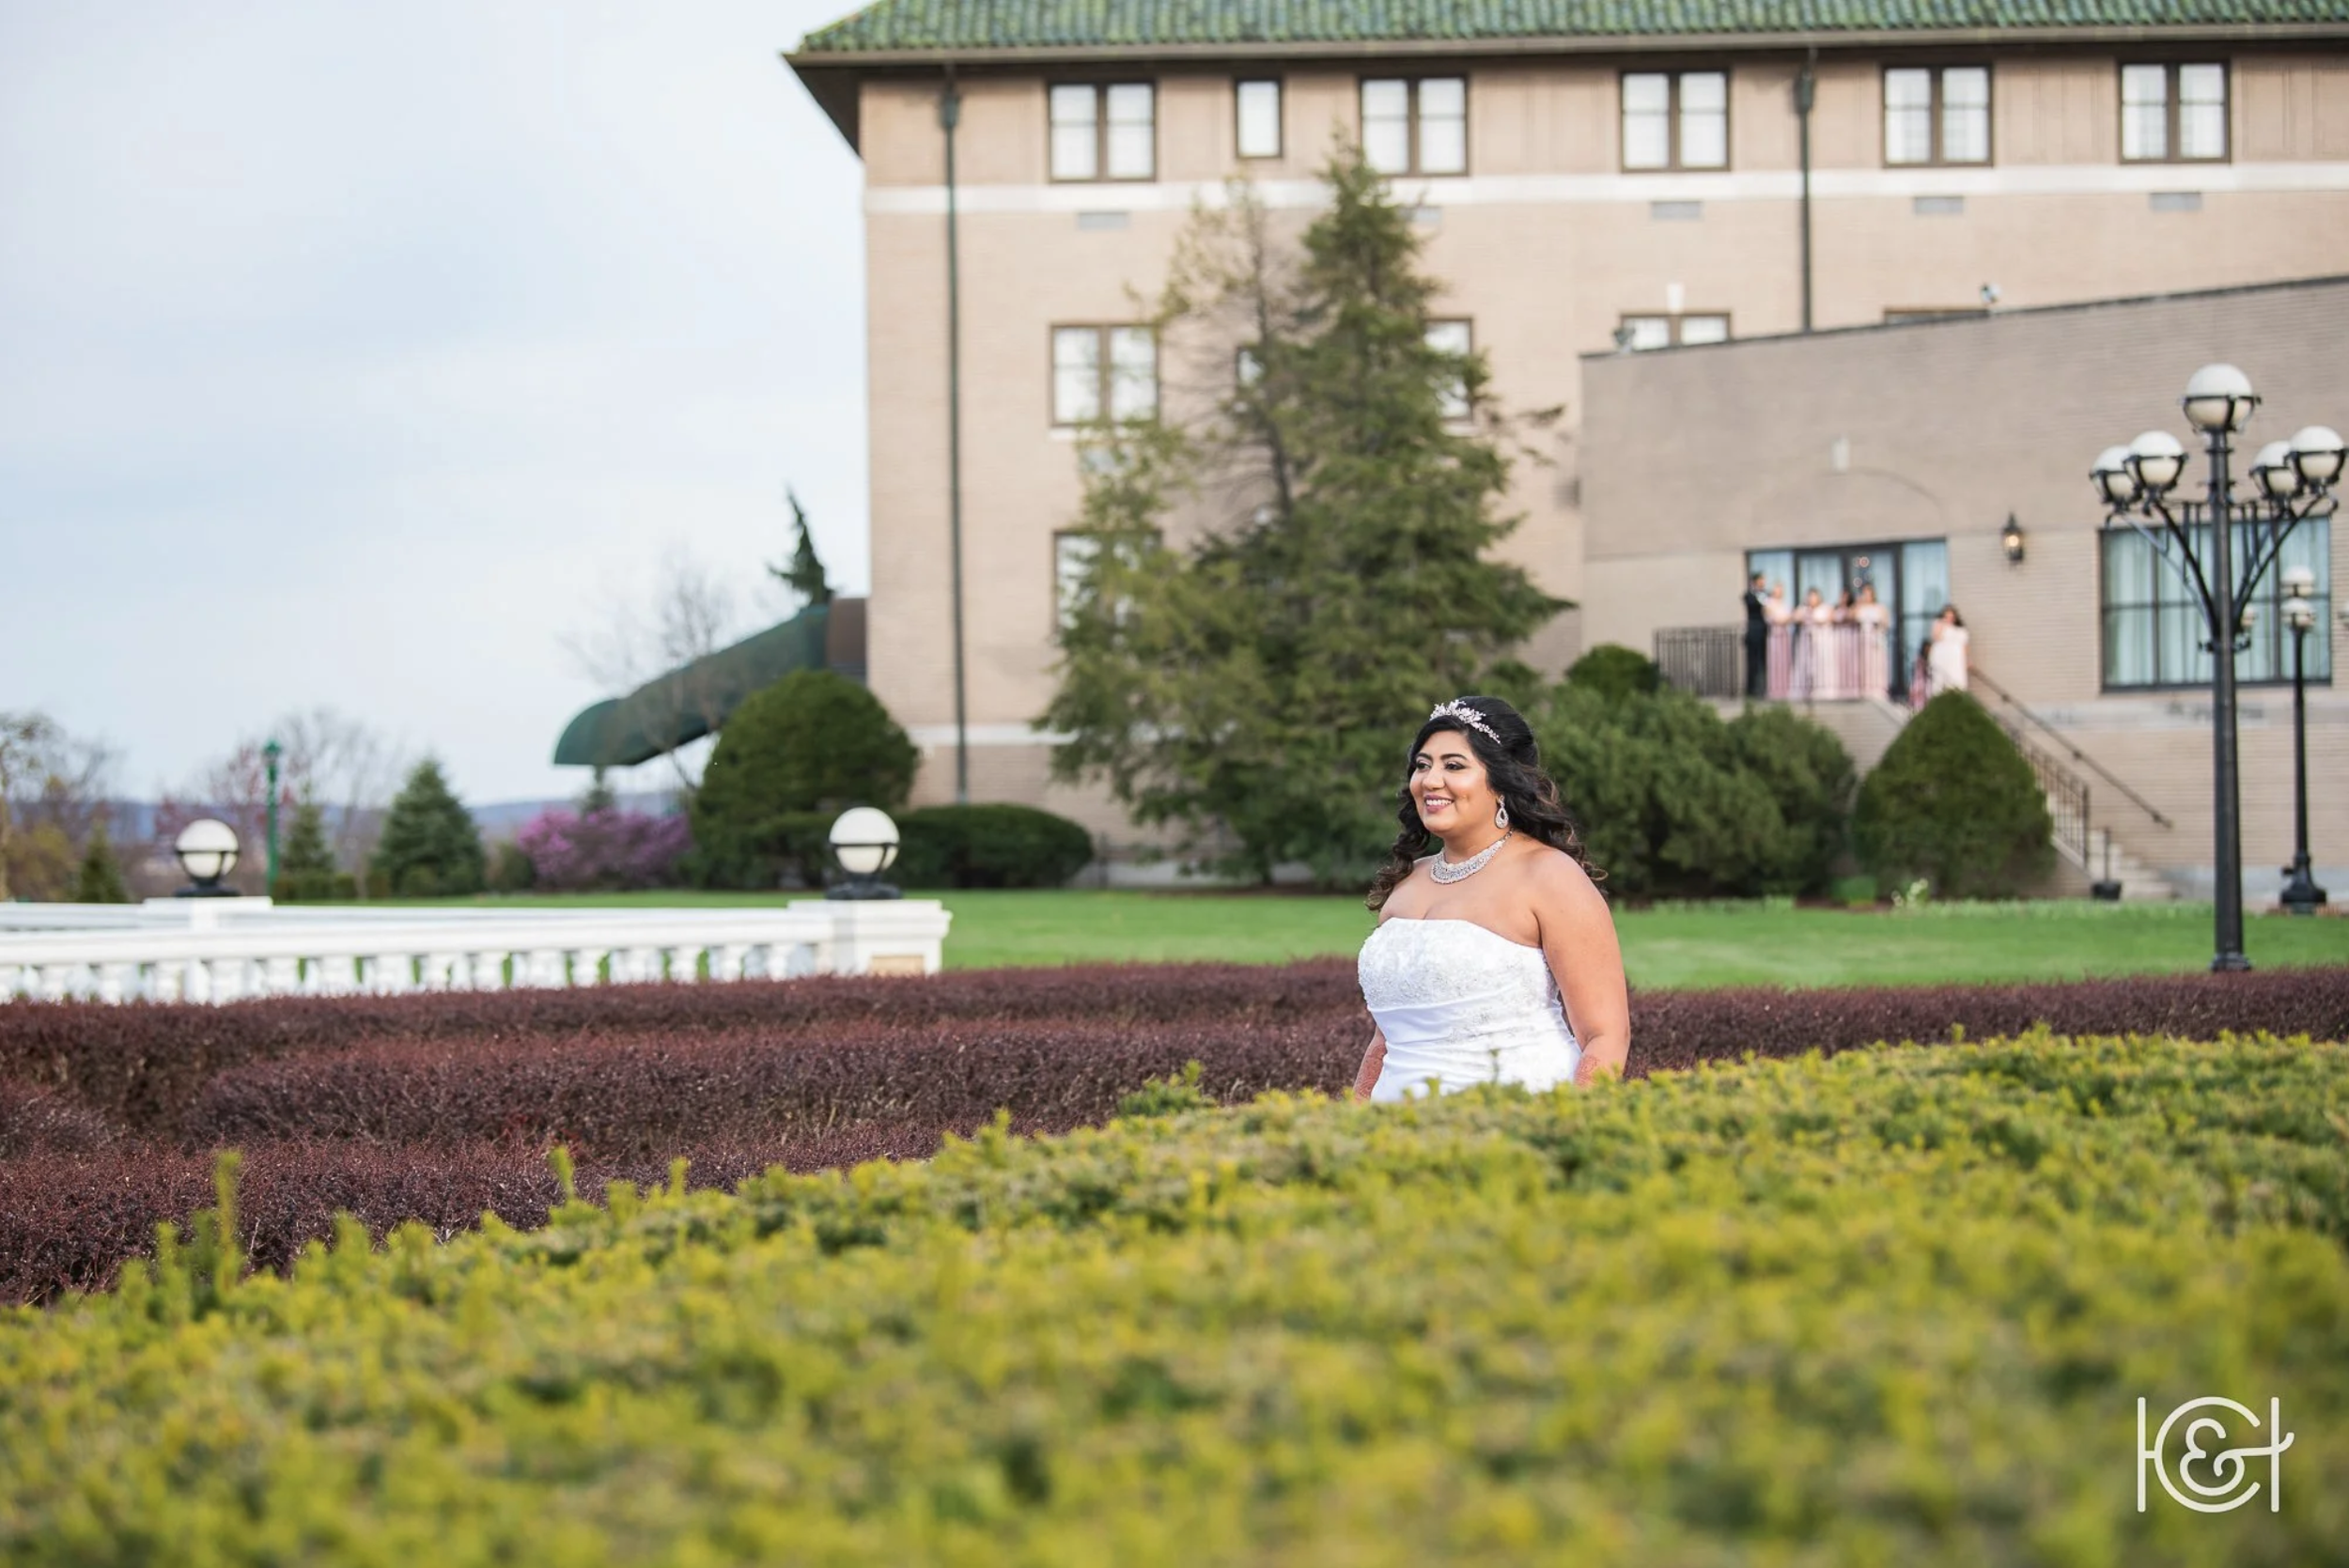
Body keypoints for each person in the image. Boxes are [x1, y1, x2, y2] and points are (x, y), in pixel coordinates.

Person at [1353, 696, 1630, 1102]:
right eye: (1423, 765)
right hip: (1392, 1138)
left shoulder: (1548, 876)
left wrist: (1571, 1131)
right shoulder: (1408, 882)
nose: (1430, 780)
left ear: (1500, 782)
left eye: (1454, 766)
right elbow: (1386, 1041)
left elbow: (1605, 1036)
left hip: (1514, 1126)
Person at [1854, 583, 1890, 696]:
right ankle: (1865, 689)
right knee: (1865, 664)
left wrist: (1878, 625)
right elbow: (1853, 618)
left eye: (1868, 594)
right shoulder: (1860, 607)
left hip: (1876, 638)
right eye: (1864, 594)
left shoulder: (1880, 607)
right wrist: (1858, 603)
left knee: (1877, 664)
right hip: (1864, 639)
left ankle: (1879, 689)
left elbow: (1886, 623)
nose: (1867, 596)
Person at [1927, 604, 1970, 694]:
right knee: (1941, 680)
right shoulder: (1938, 624)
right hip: (1942, 656)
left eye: (1951, 616)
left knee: (1957, 681)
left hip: (1957, 659)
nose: (1949, 618)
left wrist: (1967, 660)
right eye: (1946, 616)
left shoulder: (1960, 629)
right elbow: (1936, 637)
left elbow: (1965, 646)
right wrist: (1942, 624)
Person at [1742, 572, 1769, 698]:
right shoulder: (1749, 595)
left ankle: (1762, 688)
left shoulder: (1766, 595)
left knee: (1762, 662)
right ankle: (1751, 690)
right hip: (1753, 631)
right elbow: (1752, 604)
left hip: (1763, 632)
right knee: (1752, 663)